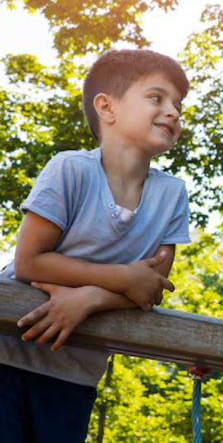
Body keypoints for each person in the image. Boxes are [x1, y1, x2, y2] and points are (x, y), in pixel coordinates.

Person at [0, 49, 192, 443]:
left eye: (178, 104)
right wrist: (121, 277)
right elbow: (30, 262)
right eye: (157, 98)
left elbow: (150, 288)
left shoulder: (173, 194)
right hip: (5, 350)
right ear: (106, 107)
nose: (173, 111)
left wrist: (88, 299)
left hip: (75, 370)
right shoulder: (70, 169)